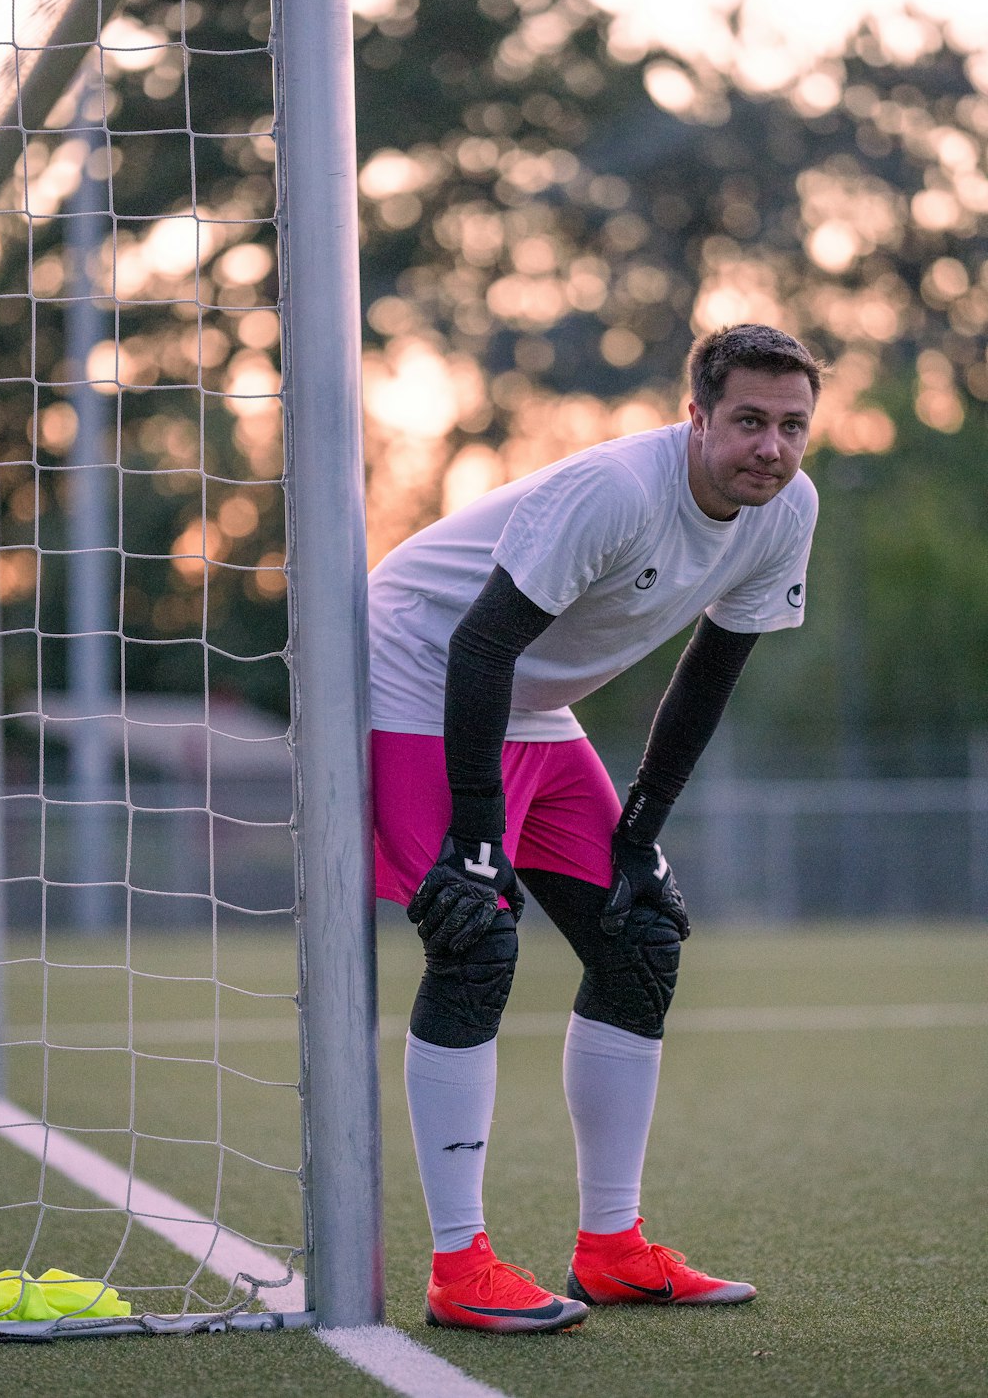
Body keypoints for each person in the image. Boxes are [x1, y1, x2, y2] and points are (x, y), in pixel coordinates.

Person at [368, 322, 822, 1334]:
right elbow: (479, 646)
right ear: (695, 417)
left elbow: (710, 672)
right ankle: (459, 1268)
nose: (771, 448)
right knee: (474, 932)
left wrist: (642, 829)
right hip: (413, 668)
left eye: (793, 426)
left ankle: (611, 1249)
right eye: (748, 421)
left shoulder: (786, 508)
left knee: (640, 934)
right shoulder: (617, 490)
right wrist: (478, 834)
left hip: (523, 696)